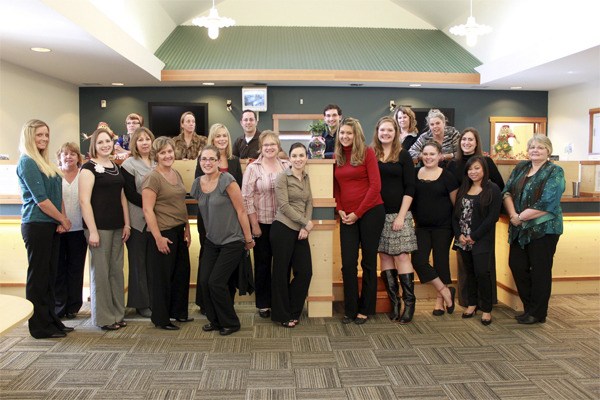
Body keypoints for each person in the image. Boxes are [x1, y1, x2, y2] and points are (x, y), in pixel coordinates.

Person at [17, 119, 73, 339]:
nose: (44, 139)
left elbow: (56, 195)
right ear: (29, 136)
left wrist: (61, 219)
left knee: (50, 275)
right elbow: (41, 200)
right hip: (36, 224)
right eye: (39, 135)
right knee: (39, 278)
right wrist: (62, 219)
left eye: (46, 135)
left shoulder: (44, 161)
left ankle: (52, 320)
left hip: (50, 224)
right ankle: (39, 327)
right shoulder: (27, 161)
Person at [191, 145, 255, 336]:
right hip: (211, 241)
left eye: (212, 159)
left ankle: (231, 322)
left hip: (232, 241)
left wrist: (248, 238)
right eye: (204, 159)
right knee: (204, 282)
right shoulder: (197, 184)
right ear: (199, 162)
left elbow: (241, 210)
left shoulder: (227, 180)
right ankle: (215, 320)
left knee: (216, 282)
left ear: (219, 161)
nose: (208, 163)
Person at [502, 134, 564, 325]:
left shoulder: (555, 171)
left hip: (544, 229)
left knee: (540, 271)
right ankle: (529, 307)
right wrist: (513, 215)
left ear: (548, 151)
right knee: (517, 265)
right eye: (532, 147)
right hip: (519, 229)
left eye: (540, 147)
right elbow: (507, 192)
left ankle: (538, 313)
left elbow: (547, 201)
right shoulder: (521, 167)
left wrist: (521, 217)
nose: (535, 150)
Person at [334, 117, 385, 325]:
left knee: (369, 262)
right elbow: (336, 187)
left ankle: (366, 308)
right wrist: (341, 210)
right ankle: (350, 308)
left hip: (371, 212)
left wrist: (358, 212)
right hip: (347, 216)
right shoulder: (337, 156)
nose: (345, 136)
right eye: (342, 133)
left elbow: (375, 187)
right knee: (348, 264)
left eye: (349, 133)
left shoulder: (367, 153)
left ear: (356, 135)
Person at [79, 127, 131, 330]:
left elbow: (122, 196)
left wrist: (126, 223)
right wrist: (92, 230)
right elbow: (84, 201)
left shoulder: (115, 166)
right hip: (98, 228)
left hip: (118, 226)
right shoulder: (88, 168)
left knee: (116, 272)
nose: (105, 145)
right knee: (100, 273)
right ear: (94, 145)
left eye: (108, 141)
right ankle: (103, 318)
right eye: (100, 142)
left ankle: (118, 313)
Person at [447, 127, 505, 307]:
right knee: (466, 267)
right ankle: (468, 302)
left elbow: (500, 187)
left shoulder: (486, 161)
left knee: (483, 268)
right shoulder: (453, 164)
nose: (467, 143)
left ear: (477, 142)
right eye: (464, 139)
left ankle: (486, 303)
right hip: (460, 219)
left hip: (482, 222)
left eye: (470, 140)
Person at [142, 136, 193, 330]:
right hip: (162, 232)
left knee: (181, 274)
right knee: (162, 278)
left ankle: (179, 312)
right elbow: (148, 210)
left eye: (170, 151)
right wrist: (158, 238)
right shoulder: (152, 177)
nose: (167, 155)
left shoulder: (176, 174)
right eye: (163, 152)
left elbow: (181, 203)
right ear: (156, 155)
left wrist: (187, 228)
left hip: (179, 230)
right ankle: (161, 318)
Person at [372, 116, 417, 323]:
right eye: (382, 130)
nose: (386, 133)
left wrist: (400, 215)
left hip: (400, 214)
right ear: (377, 132)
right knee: (384, 257)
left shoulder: (404, 155)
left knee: (401, 257)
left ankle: (409, 304)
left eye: (390, 130)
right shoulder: (371, 154)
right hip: (377, 214)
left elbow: (410, 187)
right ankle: (395, 302)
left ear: (396, 132)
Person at [193, 123, 243, 313]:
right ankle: (206, 304)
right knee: (207, 263)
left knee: (227, 267)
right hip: (208, 219)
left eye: (224, 136)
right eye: (217, 136)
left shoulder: (235, 161)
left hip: (231, 222)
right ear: (211, 140)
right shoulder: (204, 159)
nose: (221, 139)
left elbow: (241, 191)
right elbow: (199, 190)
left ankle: (226, 303)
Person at [242, 131, 292, 318]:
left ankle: (280, 301)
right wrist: (254, 225)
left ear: (278, 146)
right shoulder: (253, 168)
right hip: (261, 223)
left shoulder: (287, 166)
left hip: (284, 223)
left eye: (273, 144)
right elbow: (246, 198)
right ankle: (263, 303)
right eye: (266, 145)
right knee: (263, 264)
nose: (269, 148)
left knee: (282, 264)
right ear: (260, 148)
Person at [453, 156, 502, 326]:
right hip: (463, 240)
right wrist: (459, 234)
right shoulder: (464, 188)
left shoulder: (492, 189)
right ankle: (472, 304)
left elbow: (492, 217)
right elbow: (455, 216)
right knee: (469, 273)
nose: (473, 172)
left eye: (477, 168)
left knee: (483, 273)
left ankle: (486, 309)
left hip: (481, 239)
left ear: (484, 170)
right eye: (470, 169)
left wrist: (474, 236)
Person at [411, 141, 458, 316]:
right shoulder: (415, 174)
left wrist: (457, 228)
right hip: (421, 226)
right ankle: (446, 291)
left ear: (439, 156)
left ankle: (439, 301)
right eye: (425, 154)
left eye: (432, 154)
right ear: (421, 155)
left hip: (444, 227)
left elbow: (456, 204)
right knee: (419, 261)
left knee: (441, 262)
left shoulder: (448, 176)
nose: (428, 157)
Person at [270, 143, 313, 327]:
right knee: (281, 273)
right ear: (289, 158)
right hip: (283, 228)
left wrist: (306, 227)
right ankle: (282, 314)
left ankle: (294, 310)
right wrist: (304, 222)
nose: (298, 159)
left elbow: (309, 202)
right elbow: (284, 206)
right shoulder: (282, 177)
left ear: (306, 157)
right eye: (294, 156)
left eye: (301, 155)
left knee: (305, 272)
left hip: (300, 231)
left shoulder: (305, 176)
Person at [121, 127, 156, 318]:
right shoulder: (128, 164)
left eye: (147, 139)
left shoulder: (158, 162)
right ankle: (141, 303)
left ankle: (153, 299)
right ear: (134, 143)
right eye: (140, 139)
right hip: (136, 221)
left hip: (156, 220)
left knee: (152, 263)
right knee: (138, 263)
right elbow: (129, 193)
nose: (144, 142)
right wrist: (148, 205)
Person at [54, 142, 87, 320]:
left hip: (79, 230)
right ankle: (59, 306)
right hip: (59, 229)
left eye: (73, 153)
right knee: (59, 268)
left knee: (75, 268)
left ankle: (73, 306)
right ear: (59, 157)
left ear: (78, 157)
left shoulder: (84, 175)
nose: (69, 157)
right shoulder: (54, 175)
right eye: (65, 154)